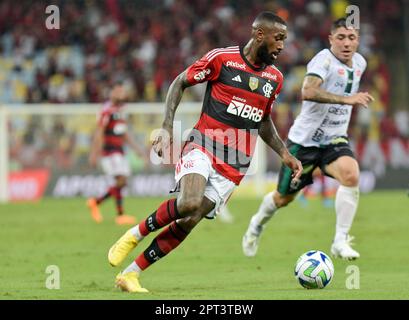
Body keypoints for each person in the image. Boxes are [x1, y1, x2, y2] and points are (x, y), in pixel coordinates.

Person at [107, 12, 302, 293]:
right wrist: (165, 127)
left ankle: (131, 274)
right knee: (188, 203)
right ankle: (134, 234)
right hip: (204, 145)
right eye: (279, 38)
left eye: (285, 39)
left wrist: (284, 154)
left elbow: (262, 119)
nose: (282, 46)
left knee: (189, 220)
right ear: (260, 35)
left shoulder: (275, 78)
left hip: (235, 164)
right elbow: (179, 82)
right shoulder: (222, 59)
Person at [242, 18, 374, 260]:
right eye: (341, 37)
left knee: (351, 174)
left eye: (352, 38)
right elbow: (308, 91)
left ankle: (340, 241)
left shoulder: (360, 63)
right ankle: (256, 224)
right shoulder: (323, 60)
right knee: (283, 199)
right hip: (303, 143)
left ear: (358, 40)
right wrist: (347, 100)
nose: (347, 43)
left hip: (334, 139)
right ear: (331, 39)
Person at [87, 83, 147, 225]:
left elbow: (124, 134)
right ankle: (111, 210)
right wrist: (94, 153)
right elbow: (99, 132)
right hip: (109, 152)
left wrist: (137, 149)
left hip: (119, 151)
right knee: (121, 180)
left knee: (121, 181)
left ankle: (98, 203)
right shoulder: (106, 111)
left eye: (123, 91)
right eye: (118, 91)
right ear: (112, 92)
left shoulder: (120, 111)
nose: (121, 94)